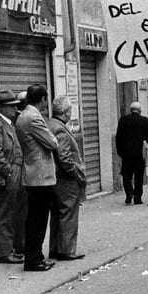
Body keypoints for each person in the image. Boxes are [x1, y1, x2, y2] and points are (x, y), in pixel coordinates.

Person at [16, 85, 60, 272]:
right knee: (38, 219)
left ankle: (35, 256)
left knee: (34, 218)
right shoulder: (34, 118)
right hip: (40, 175)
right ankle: (34, 259)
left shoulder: (22, 116)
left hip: (32, 172)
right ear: (42, 98)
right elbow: (52, 142)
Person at [0, 91, 26, 264]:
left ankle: (8, 248)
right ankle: (3, 252)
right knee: (5, 213)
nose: (15, 108)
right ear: (1, 107)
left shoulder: (6, 122)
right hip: (8, 173)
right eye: (12, 106)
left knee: (12, 211)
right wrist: (8, 172)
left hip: (14, 170)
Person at [47, 96, 86, 261]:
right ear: (67, 111)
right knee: (68, 214)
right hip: (65, 178)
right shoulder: (61, 129)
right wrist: (75, 174)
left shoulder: (50, 123)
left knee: (57, 213)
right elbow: (64, 157)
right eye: (71, 110)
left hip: (54, 177)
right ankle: (67, 250)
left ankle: (55, 248)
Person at [116, 102, 148, 205]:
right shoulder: (146, 121)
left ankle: (129, 193)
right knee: (139, 176)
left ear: (130, 110)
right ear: (140, 111)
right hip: (139, 154)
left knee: (126, 175)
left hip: (126, 154)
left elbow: (118, 137)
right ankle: (137, 197)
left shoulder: (123, 121)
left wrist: (120, 151)